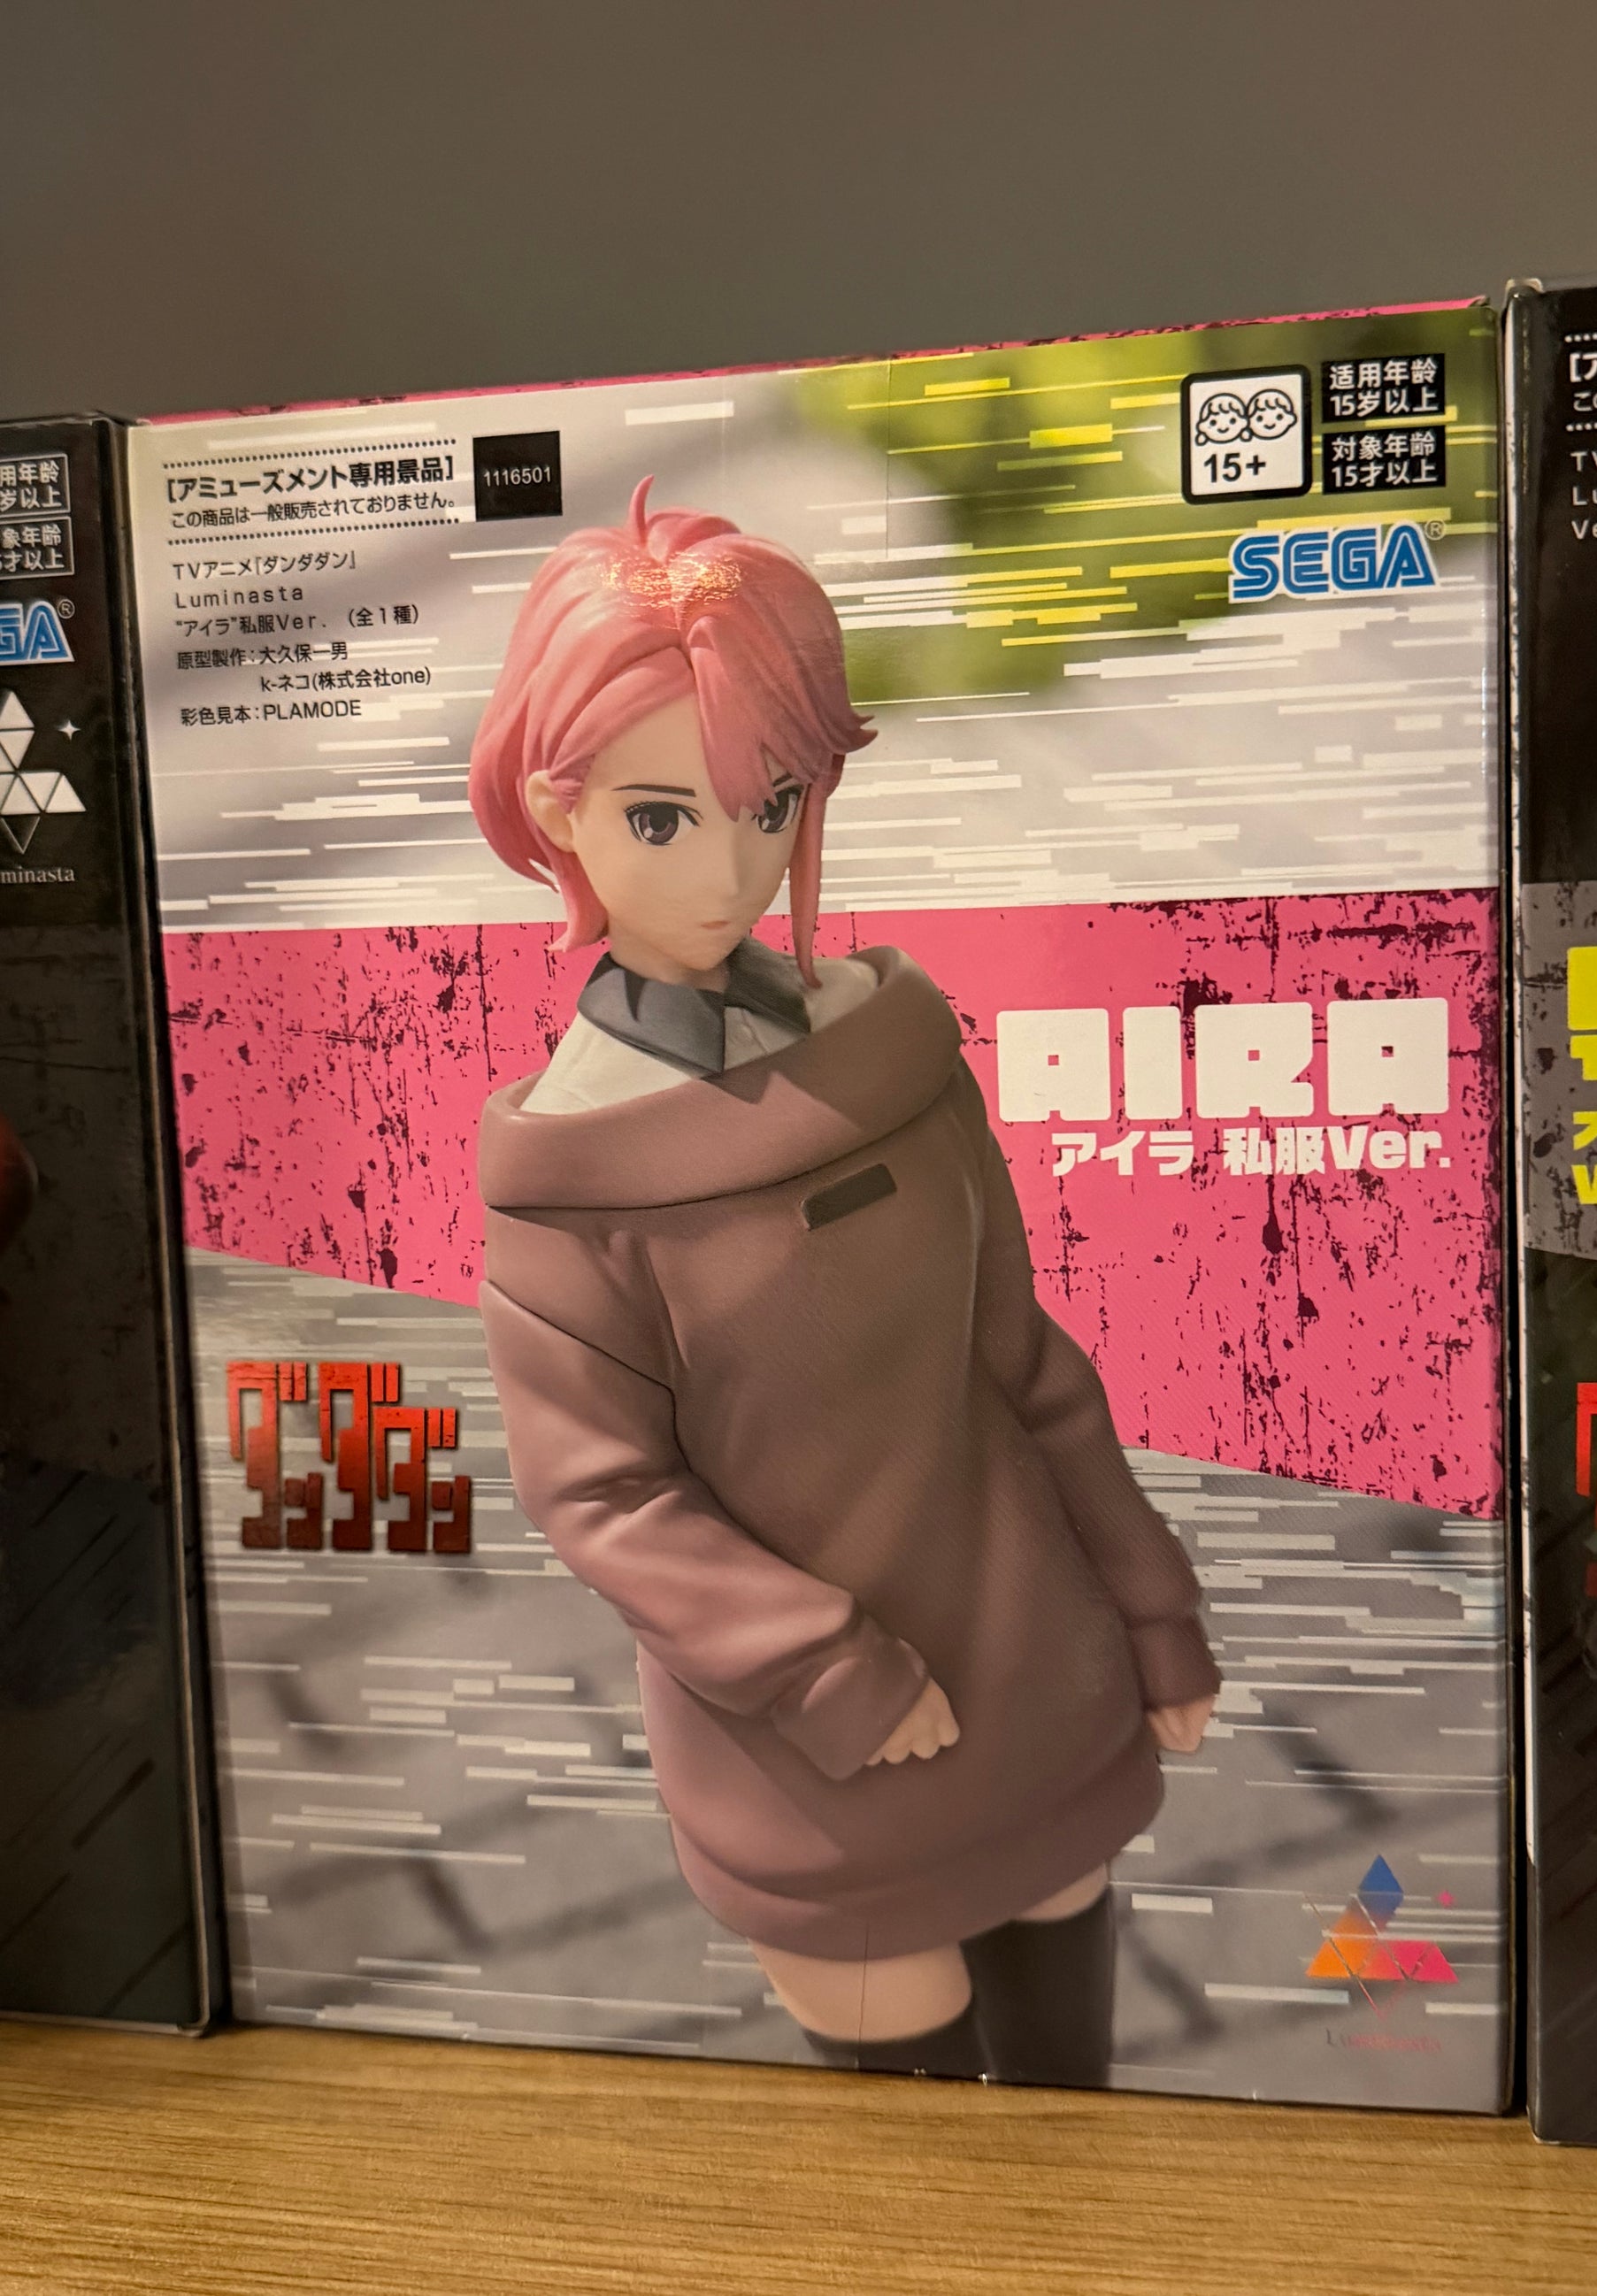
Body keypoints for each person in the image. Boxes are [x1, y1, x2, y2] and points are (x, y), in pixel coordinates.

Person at [470, 480, 1218, 2084]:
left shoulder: (894, 1056)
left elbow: (1024, 1367)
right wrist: (821, 1667)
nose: (730, 869)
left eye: (772, 803)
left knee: (1073, 2087)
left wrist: (1155, 1618)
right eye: (660, 817)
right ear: (555, 809)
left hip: (1034, 1673)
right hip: (808, 1750)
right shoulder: (571, 1179)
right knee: (910, 2153)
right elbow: (602, 1496)